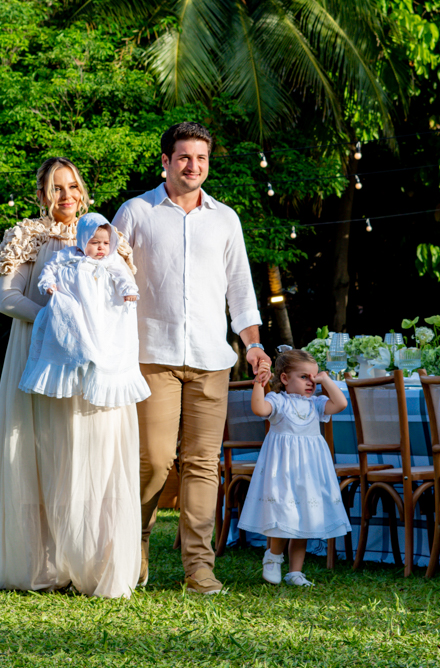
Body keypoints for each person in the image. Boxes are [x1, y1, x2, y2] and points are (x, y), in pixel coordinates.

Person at [113, 122, 270, 594]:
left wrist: (253, 343)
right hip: (151, 356)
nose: (193, 166)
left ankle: (199, 568)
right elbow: (108, 279)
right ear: (165, 161)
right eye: (184, 157)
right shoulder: (135, 213)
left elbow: (241, 291)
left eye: (200, 158)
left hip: (211, 359)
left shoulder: (226, 219)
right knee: (154, 460)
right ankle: (133, 544)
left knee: (203, 464)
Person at [0, 157, 141, 598]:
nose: (67, 196)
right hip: (42, 356)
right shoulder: (27, 236)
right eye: (56, 188)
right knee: (43, 454)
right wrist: (58, 323)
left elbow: (123, 296)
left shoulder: (105, 237)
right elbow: (7, 298)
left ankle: (94, 567)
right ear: (41, 195)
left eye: (73, 186)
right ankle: (43, 567)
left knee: (92, 455)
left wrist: (96, 337)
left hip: (96, 362)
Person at [237, 349, 351, 586]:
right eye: (304, 377)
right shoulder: (279, 402)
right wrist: (260, 382)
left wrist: (326, 379)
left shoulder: (317, 404)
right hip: (283, 471)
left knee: (304, 519)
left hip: (309, 472)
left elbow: (341, 403)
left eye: (313, 377)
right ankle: (273, 557)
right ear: (285, 379)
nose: (311, 383)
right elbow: (259, 409)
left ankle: (295, 572)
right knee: (283, 515)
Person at [19, 213, 149, 408]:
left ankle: (97, 369)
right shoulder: (67, 255)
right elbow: (49, 268)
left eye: (105, 243)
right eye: (95, 242)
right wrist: (48, 283)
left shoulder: (111, 260)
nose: (101, 248)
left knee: (103, 338)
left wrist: (128, 290)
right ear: (82, 240)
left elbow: (123, 276)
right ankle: (73, 365)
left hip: (100, 309)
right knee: (71, 329)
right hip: (74, 305)